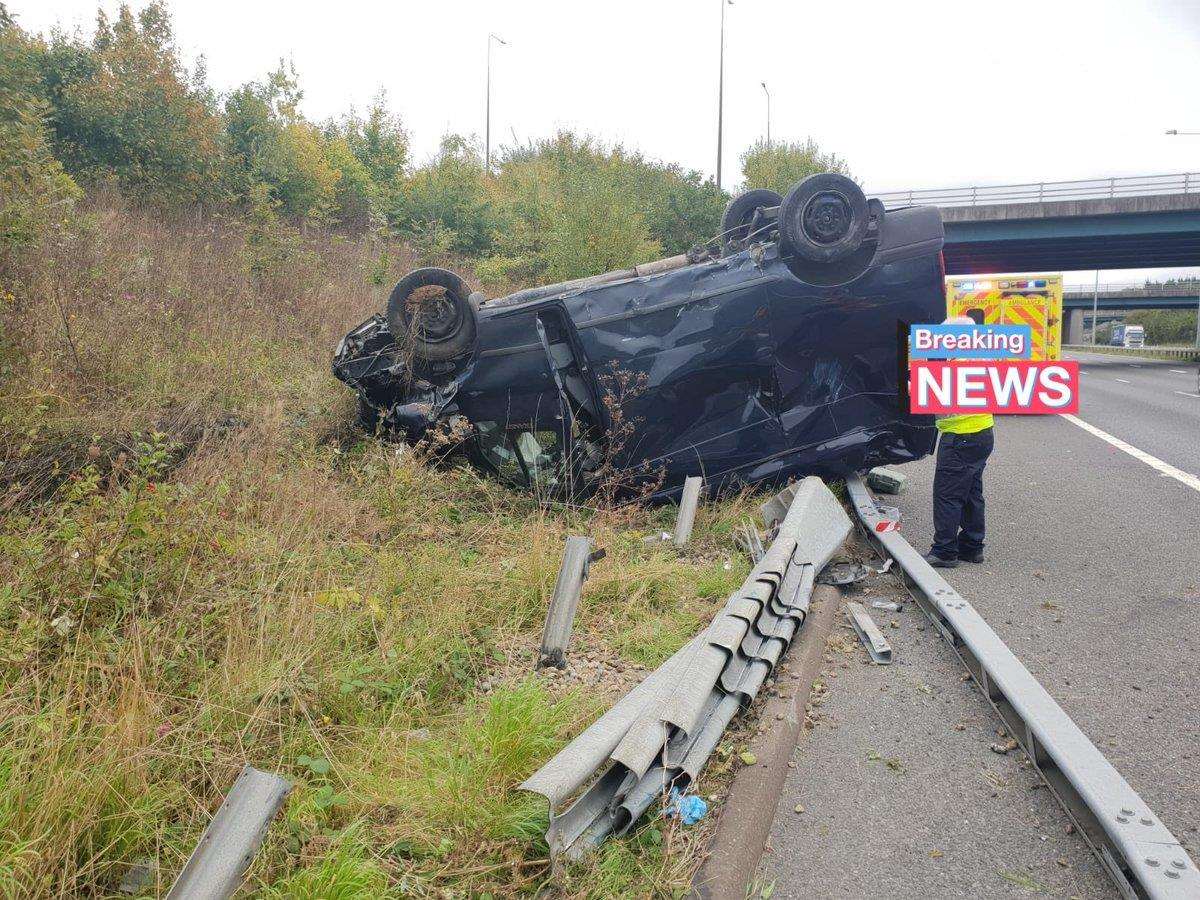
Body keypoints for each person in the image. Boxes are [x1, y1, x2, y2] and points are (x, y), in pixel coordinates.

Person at [924, 312, 994, 568]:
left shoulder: (952, 364)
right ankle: (972, 547)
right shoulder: (978, 359)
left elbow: (934, 394)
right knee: (972, 493)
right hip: (983, 432)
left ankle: (944, 551)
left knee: (948, 495)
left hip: (960, 436)